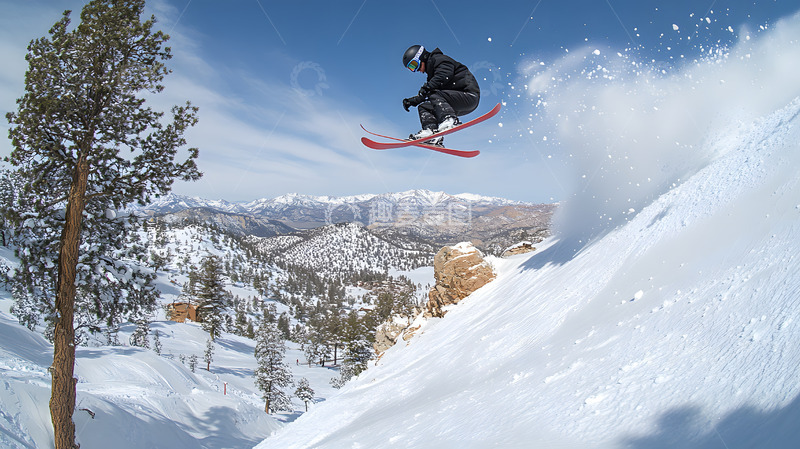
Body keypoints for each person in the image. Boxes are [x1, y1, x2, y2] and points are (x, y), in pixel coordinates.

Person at [402, 45, 480, 147]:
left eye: (414, 65)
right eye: (411, 68)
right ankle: (430, 133)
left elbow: (444, 74)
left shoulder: (439, 60)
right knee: (424, 107)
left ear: (421, 57)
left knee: (433, 94)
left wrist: (427, 87)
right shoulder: (432, 73)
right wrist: (413, 101)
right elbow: (429, 92)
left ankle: (449, 119)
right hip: (455, 102)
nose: (416, 70)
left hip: (469, 96)